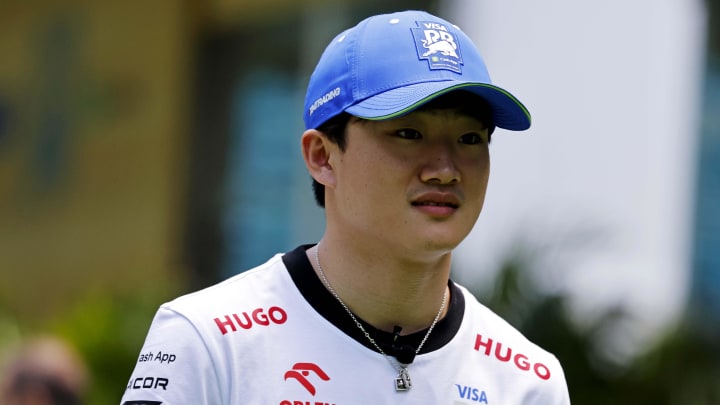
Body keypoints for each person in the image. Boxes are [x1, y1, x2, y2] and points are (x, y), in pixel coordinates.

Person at [120, 10, 570, 404]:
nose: (445, 169)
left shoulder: (529, 381)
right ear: (322, 157)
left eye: (469, 139)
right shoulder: (208, 340)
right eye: (408, 133)